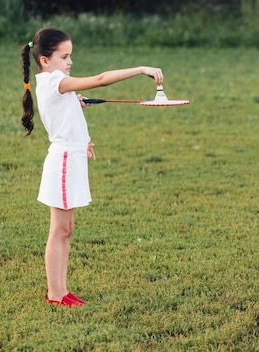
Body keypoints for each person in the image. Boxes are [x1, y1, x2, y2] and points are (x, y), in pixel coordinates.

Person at [21, 27, 163, 307]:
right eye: (64, 56)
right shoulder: (55, 81)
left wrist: (77, 114)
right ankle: (55, 294)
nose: (69, 62)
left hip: (70, 159)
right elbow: (100, 79)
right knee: (59, 229)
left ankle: (61, 290)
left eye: (70, 55)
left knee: (67, 229)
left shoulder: (56, 82)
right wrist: (140, 68)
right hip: (63, 162)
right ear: (45, 60)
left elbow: (64, 111)